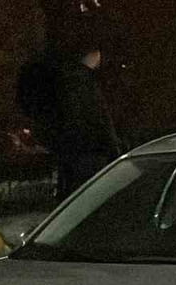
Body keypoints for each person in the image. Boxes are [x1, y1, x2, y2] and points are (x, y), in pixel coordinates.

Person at [50, 33, 122, 199]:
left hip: (72, 151)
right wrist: (113, 147)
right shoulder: (86, 83)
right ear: (94, 55)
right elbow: (100, 117)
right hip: (91, 151)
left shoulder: (66, 81)